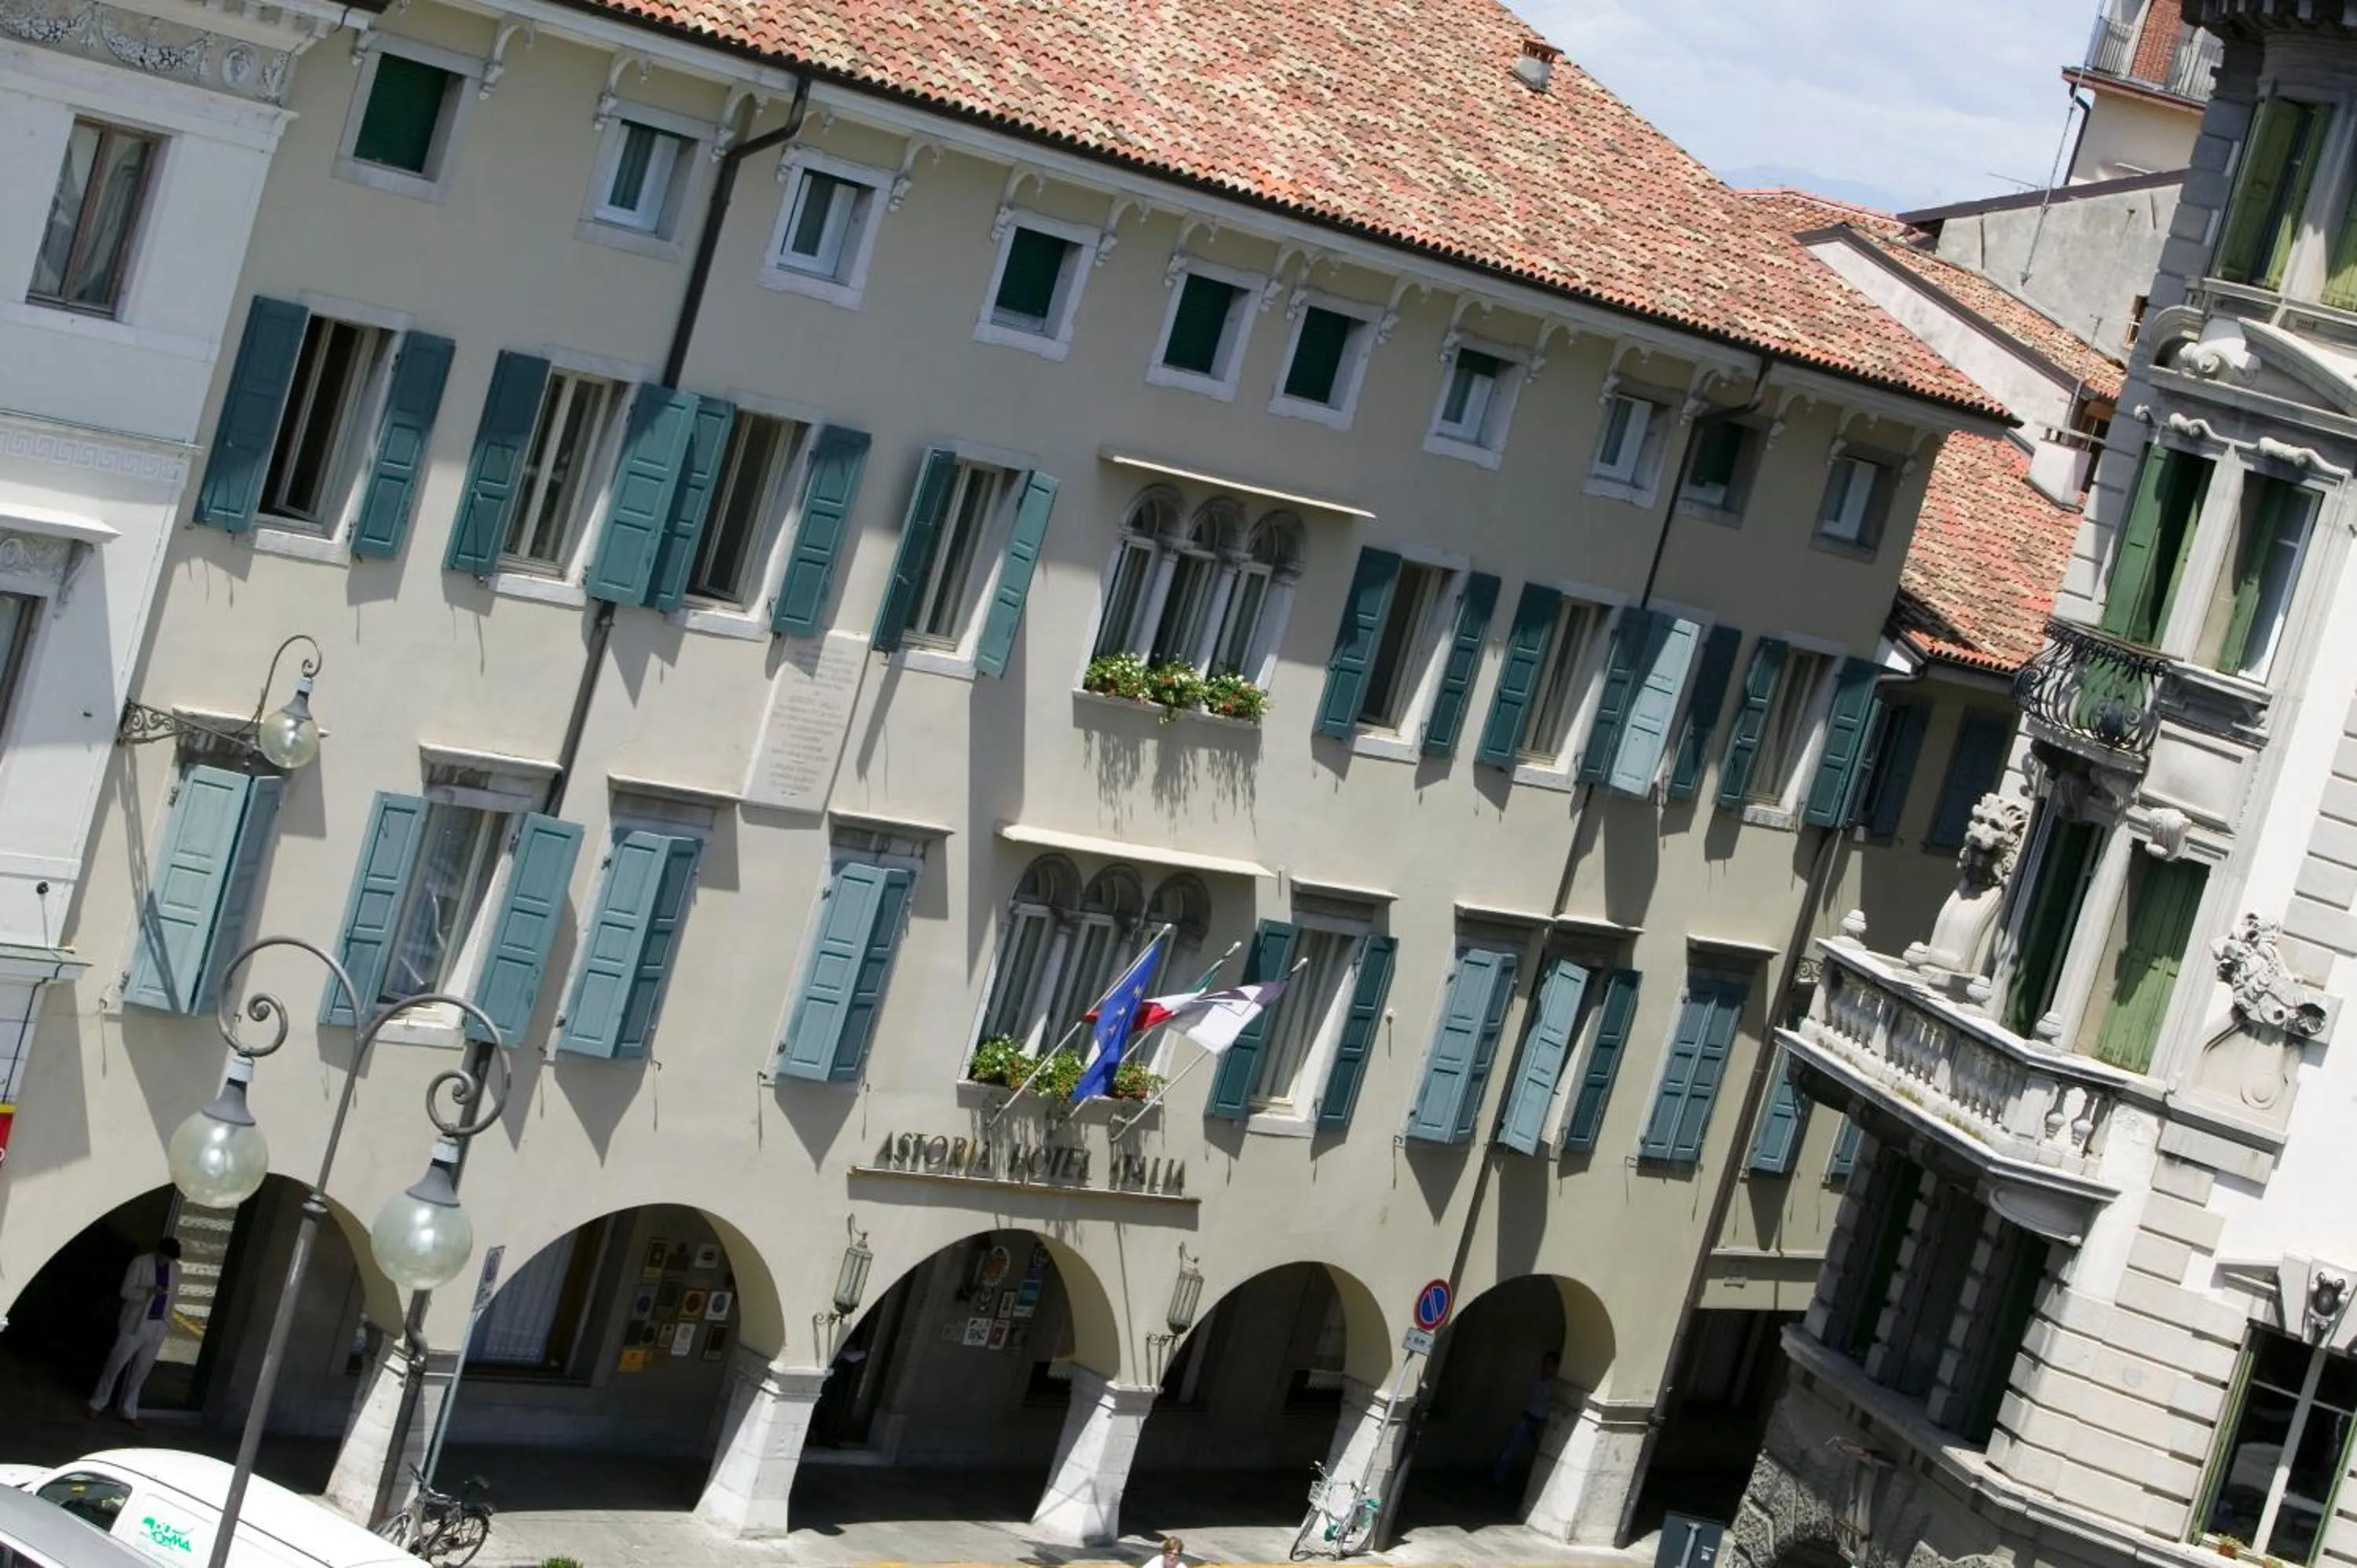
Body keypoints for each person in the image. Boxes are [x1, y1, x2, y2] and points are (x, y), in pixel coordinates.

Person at [90, 1239, 181, 1427]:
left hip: (158, 1324)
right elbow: (125, 1291)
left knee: (142, 1370)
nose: (166, 1261)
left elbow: (173, 1297)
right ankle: (97, 1404)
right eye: (165, 1257)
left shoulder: (176, 1269)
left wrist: (167, 1322)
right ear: (158, 1252)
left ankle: (129, 1411)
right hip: (136, 1323)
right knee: (116, 1363)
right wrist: (147, 1292)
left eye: (170, 1259)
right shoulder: (140, 1263)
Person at [1491, 1350, 1559, 1487]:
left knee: (1541, 1456)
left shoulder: (1554, 1385)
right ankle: (1497, 1480)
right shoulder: (1536, 1379)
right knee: (1511, 1451)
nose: (1545, 1365)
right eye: (1545, 1362)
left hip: (1540, 1422)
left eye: (1549, 1363)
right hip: (1528, 1418)